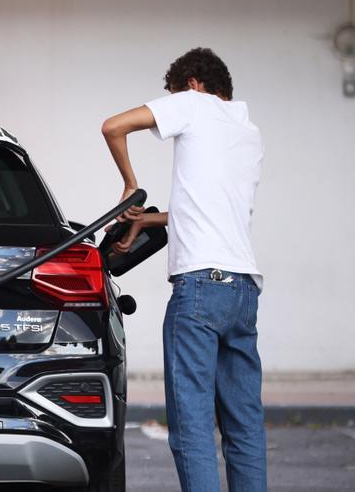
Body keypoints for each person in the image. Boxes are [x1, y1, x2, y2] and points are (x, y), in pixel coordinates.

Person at [101, 47, 266, 492]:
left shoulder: (192, 102)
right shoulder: (249, 132)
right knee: (244, 426)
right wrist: (147, 220)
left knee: (191, 426)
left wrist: (130, 186)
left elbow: (113, 127)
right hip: (243, 291)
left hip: (198, 291)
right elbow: (204, 210)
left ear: (193, 83)